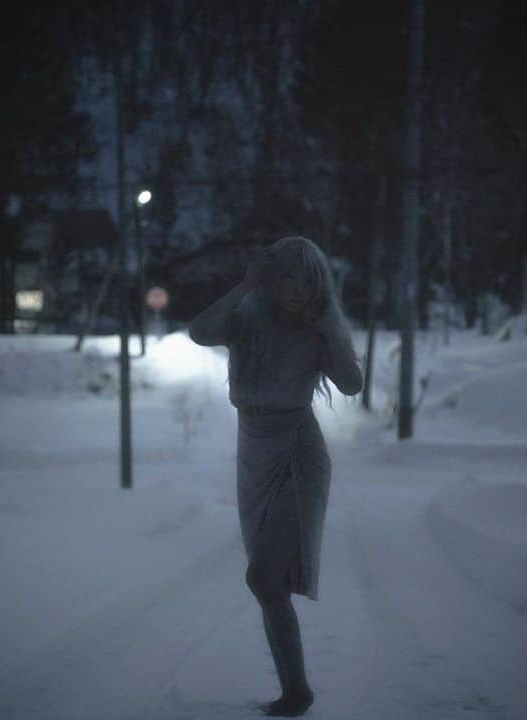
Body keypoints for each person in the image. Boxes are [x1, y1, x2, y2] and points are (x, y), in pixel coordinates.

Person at [188, 236, 363, 717]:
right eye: (288, 276)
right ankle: (295, 691)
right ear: (271, 278)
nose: (298, 289)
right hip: (253, 452)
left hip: (297, 454)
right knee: (268, 583)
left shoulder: (314, 328)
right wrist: (245, 285)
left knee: (263, 577)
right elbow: (200, 331)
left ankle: (297, 691)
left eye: (310, 281)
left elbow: (351, 382)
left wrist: (328, 321)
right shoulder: (248, 318)